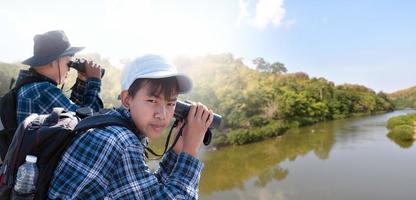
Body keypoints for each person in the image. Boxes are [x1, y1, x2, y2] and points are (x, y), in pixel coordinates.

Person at [48, 54, 213, 199]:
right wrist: (190, 150)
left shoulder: (112, 124)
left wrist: (178, 149)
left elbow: (149, 192)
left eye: (171, 104)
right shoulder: (121, 140)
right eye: (152, 101)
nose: (162, 115)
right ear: (127, 99)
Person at [16, 30, 103, 123]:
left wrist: (82, 81)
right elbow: (88, 121)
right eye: (69, 64)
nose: (69, 69)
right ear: (54, 61)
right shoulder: (42, 90)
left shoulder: (31, 86)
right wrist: (94, 80)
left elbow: (70, 115)